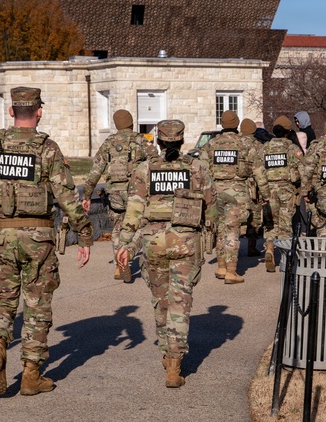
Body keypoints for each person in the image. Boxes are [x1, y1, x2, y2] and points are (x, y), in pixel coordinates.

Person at [0, 87, 92, 397]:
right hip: (39, 239)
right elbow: (67, 198)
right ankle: (31, 374)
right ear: (39, 112)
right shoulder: (48, 149)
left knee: (2, 300)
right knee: (37, 305)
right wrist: (84, 234)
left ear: (12, 111)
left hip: (2, 235)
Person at [115, 120, 216, 388]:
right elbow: (212, 206)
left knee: (161, 302)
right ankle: (174, 364)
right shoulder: (197, 168)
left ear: (158, 142)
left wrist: (124, 245)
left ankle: (165, 351)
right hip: (186, 242)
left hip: (153, 243)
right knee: (180, 304)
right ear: (182, 141)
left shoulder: (144, 169)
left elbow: (134, 212)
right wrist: (210, 232)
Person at [81, 109, 156, 282]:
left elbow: (95, 170)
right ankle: (128, 256)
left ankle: (118, 265)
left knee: (117, 226)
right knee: (137, 225)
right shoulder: (140, 140)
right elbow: (155, 162)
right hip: (135, 192)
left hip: (114, 192)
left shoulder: (108, 143)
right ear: (131, 122)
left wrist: (86, 194)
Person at [199, 110, 267, 284]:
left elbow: (202, 171)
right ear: (236, 125)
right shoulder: (245, 144)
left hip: (216, 191)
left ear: (222, 124)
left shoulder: (210, 144)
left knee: (220, 229)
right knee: (232, 231)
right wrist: (265, 194)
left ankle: (220, 266)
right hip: (238, 191)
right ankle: (231, 271)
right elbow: (259, 171)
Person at [260, 115, 303, 270]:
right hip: (287, 189)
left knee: (271, 224)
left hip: (269, 190)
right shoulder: (292, 148)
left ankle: (270, 249)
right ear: (287, 132)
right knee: (285, 225)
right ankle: (285, 259)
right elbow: (303, 169)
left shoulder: (264, 148)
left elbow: (258, 170)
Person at [240, 117, 265, 258]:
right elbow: (260, 170)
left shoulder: (236, 143)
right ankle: (251, 246)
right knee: (254, 216)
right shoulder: (257, 146)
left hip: (236, 185)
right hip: (252, 186)